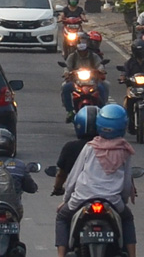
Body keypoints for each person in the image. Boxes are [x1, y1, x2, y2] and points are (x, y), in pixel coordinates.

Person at [55, 104, 137, 257]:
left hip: (82, 198)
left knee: (61, 217)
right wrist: (123, 200)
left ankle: (61, 254)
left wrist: (66, 199)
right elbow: (127, 183)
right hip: (112, 201)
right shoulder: (125, 150)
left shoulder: (90, 147)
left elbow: (74, 176)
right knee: (127, 218)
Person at [51, 106, 100, 196]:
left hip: (78, 195)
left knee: (62, 210)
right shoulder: (112, 147)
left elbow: (61, 174)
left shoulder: (70, 147)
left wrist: (57, 188)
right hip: (107, 196)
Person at [61, 33, 107, 123]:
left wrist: (101, 70)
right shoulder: (72, 56)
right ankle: (69, 111)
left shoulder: (94, 56)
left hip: (92, 82)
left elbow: (100, 65)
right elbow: (67, 67)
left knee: (104, 86)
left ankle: (102, 110)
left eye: (83, 41)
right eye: (79, 42)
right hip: (76, 82)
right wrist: (66, 73)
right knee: (65, 87)